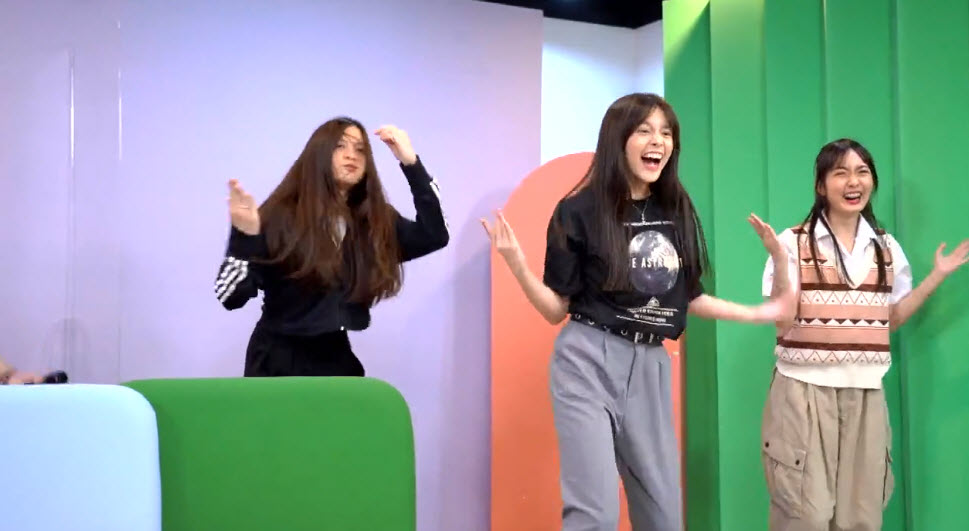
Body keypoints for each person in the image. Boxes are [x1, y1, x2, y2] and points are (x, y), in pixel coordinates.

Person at [482, 92, 795, 531]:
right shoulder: (578, 210)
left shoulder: (675, 208)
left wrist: (763, 312)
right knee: (595, 514)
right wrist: (516, 264)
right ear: (619, 139)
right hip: (586, 360)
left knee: (663, 515)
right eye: (645, 130)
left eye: (666, 133)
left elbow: (689, 297)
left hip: (650, 365)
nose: (658, 141)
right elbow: (556, 310)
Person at [759, 138, 969, 530]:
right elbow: (780, 319)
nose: (853, 182)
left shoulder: (886, 248)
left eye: (862, 172)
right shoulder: (791, 242)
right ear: (821, 185)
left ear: (872, 181)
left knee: (861, 516)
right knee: (805, 516)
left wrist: (936, 276)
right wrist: (777, 257)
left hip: (866, 392)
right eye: (840, 173)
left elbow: (889, 320)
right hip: (803, 392)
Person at [215, 117, 449, 377]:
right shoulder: (279, 215)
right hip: (276, 360)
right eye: (340, 146)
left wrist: (411, 163)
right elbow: (230, 296)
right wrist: (243, 237)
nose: (352, 155)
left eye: (360, 149)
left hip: (335, 356)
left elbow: (435, 234)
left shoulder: (373, 221)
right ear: (319, 154)